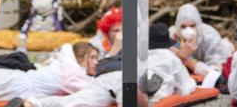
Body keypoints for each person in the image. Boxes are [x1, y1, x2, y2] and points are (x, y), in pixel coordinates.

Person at [27, 23, 196, 107]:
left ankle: (35, 103)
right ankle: (143, 92)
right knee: (149, 93)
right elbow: (186, 88)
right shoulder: (170, 58)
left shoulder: (136, 52)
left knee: (75, 102)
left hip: (113, 76)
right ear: (168, 43)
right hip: (135, 83)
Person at [171, 3, 233, 78]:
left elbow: (216, 73)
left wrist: (186, 60)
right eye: (183, 27)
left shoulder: (210, 37)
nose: (188, 30)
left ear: (198, 25)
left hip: (218, 58)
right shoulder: (172, 36)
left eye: (192, 26)